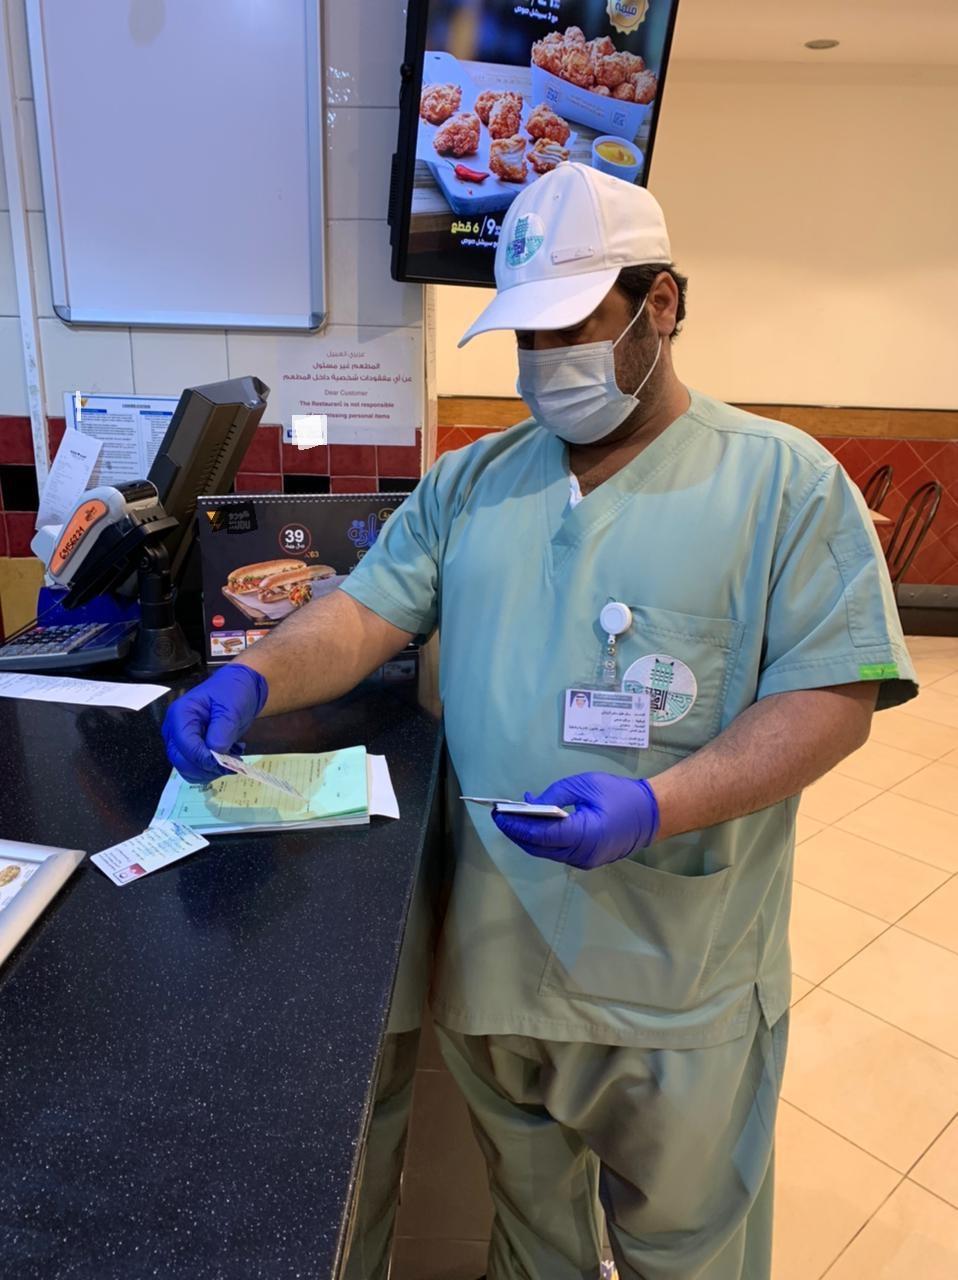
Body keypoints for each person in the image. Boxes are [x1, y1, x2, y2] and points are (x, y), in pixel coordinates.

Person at [163, 162, 917, 1280]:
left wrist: (657, 804)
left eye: (570, 328)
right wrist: (256, 679)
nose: (542, 361)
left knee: (687, 1252)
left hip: (673, 978)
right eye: (525, 337)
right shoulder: (473, 482)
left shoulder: (785, 486)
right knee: (531, 1239)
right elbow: (364, 613)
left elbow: (832, 699)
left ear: (661, 306)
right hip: (499, 963)